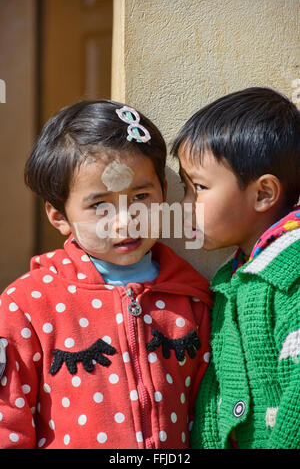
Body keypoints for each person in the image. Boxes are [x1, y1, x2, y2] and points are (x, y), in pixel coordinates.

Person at [0, 100, 212, 449]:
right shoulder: (28, 305)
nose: (125, 221)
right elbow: (9, 418)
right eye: (99, 205)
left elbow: (208, 418)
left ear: (163, 190)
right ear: (59, 216)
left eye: (141, 196)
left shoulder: (193, 298)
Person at [171, 87, 300, 449]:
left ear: (263, 194)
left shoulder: (290, 278)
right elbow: (216, 395)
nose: (184, 205)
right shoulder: (229, 280)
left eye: (198, 187)